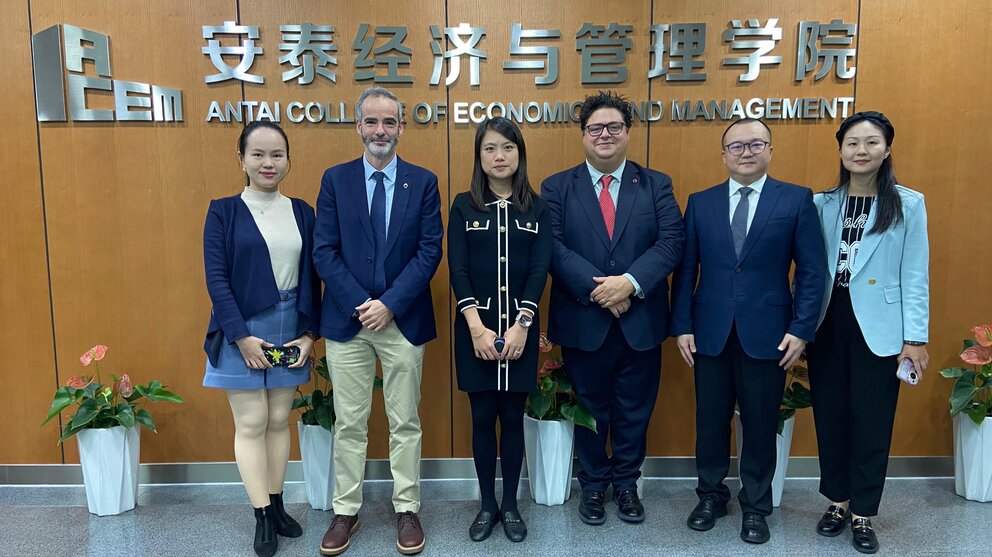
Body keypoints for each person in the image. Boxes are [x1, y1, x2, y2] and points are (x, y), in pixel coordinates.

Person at [671, 118, 826, 545]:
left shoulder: (795, 200)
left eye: (755, 144)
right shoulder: (700, 203)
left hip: (771, 332)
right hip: (709, 331)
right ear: (723, 155)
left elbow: (813, 271)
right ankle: (711, 495)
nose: (746, 151)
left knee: (759, 423)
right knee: (710, 421)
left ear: (770, 150)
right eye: (736, 146)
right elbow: (687, 271)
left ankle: (756, 505)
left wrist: (802, 328)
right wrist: (682, 324)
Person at [541, 91, 684, 526]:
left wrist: (631, 284)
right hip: (585, 319)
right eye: (595, 128)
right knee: (589, 407)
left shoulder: (655, 183)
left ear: (627, 132)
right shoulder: (557, 186)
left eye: (614, 127)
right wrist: (602, 290)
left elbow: (671, 242)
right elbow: (552, 246)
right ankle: (593, 485)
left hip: (640, 320)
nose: (605, 135)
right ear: (583, 135)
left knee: (634, 409)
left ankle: (626, 485)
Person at [313, 86, 443, 556]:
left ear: (402, 128)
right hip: (348, 323)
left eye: (390, 122)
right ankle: (345, 510)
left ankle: (406, 506)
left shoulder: (423, 182)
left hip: (402, 320)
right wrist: (362, 304)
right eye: (372, 122)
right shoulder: (335, 180)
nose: (380, 131)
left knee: (404, 419)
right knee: (349, 422)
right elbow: (323, 251)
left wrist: (388, 303)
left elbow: (430, 251)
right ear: (358, 127)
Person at [806, 111, 929, 555]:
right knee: (831, 414)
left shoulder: (908, 203)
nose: (862, 151)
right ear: (840, 150)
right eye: (853, 143)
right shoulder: (823, 203)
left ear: (887, 149)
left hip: (881, 329)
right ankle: (836, 502)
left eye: (872, 142)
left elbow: (916, 275)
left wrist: (915, 339)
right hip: (828, 321)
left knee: (872, 421)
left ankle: (864, 513)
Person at [202, 121, 321, 557]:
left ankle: (277, 504)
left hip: (292, 326)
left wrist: (311, 333)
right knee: (251, 422)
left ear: (289, 159)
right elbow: (217, 280)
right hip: (242, 328)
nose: (268, 163)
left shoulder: (303, 211)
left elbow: (314, 276)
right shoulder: (223, 211)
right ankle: (261, 516)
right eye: (258, 154)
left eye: (276, 154)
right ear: (242, 160)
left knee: (277, 420)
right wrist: (241, 337)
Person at [448, 117, 551, 543]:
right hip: (476, 329)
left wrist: (522, 326)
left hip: (521, 333)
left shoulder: (537, 207)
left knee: (512, 417)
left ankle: (510, 505)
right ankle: (486, 505)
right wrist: (476, 327)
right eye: (490, 148)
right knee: (481, 416)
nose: (499, 156)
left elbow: (540, 269)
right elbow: (458, 268)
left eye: (508, 148)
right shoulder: (463, 204)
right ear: (479, 156)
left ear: (519, 153)